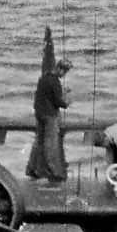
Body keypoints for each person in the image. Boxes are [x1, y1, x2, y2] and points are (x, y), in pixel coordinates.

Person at [26, 27, 71, 183]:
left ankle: (32, 169)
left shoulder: (44, 78)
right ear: (59, 68)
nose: (64, 75)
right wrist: (68, 102)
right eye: (64, 72)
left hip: (39, 113)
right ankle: (54, 172)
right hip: (50, 115)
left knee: (39, 141)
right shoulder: (55, 82)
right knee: (50, 145)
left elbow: (41, 95)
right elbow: (59, 102)